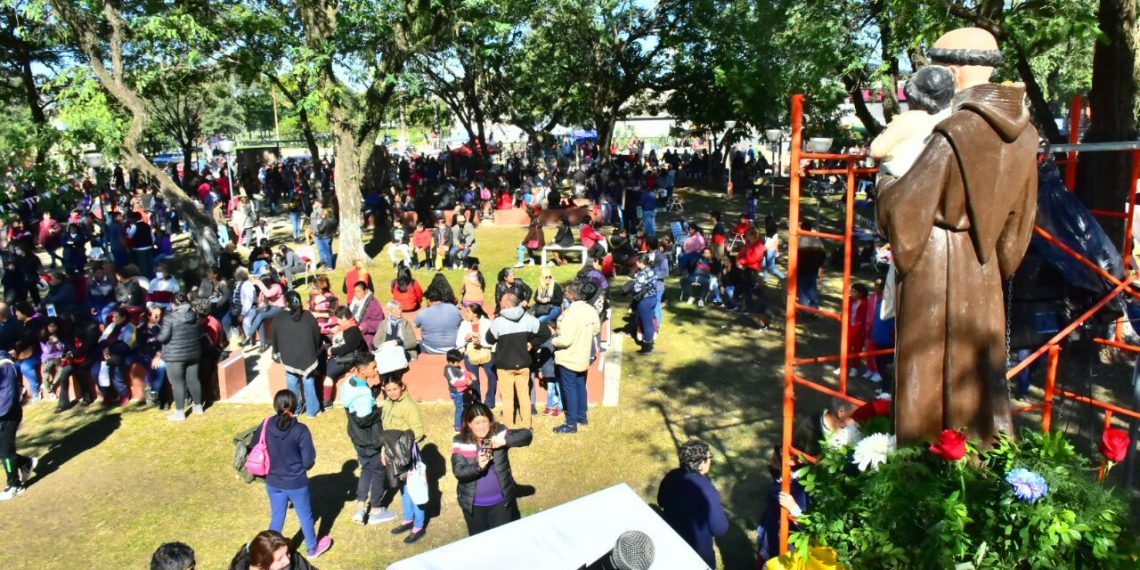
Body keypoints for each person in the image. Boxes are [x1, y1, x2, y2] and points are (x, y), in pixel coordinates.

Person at [257, 390, 334, 560]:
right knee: (305, 516)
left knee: (277, 517)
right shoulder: (301, 430)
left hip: (273, 481)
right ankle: (312, 549)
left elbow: (258, 443)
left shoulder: (267, 424)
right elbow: (308, 461)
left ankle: (269, 553)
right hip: (296, 482)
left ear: (276, 405)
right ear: (295, 405)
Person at [451, 402, 533, 535]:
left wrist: (505, 441)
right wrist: (478, 466)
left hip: (500, 503)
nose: (482, 426)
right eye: (477, 423)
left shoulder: (497, 432)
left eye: (485, 421)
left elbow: (527, 435)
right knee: (479, 542)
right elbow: (459, 472)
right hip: (474, 506)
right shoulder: (461, 441)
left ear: (490, 421)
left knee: (501, 540)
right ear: (469, 424)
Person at [341, 353, 398, 527]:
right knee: (379, 471)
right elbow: (364, 419)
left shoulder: (349, 382)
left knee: (366, 468)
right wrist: (382, 410)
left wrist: (373, 392)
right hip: (369, 439)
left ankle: (360, 507)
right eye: (373, 367)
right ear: (363, 369)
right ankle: (375, 510)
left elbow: (355, 408)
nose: (376, 369)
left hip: (357, 437)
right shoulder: (363, 394)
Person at [657, 439, 729, 568]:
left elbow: (660, 500)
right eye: (709, 457)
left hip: (672, 542)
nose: (710, 460)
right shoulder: (708, 491)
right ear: (701, 464)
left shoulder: (671, 476)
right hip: (698, 553)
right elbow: (720, 528)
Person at [379, 375, 427, 544]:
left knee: (415, 489)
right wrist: (385, 451)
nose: (392, 393)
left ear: (402, 387)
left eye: (395, 389)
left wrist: (402, 447)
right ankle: (408, 519)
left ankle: (419, 526)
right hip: (392, 453)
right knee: (403, 488)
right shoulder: (386, 404)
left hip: (407, 453)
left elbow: (418, 431)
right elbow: (385, 430)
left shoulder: (409, 406)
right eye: (389, 389)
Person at [550, 283, 601, 434]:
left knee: (569, 389)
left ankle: (571, 424)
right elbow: (596, 329)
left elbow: (565, 340)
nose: (565, 294)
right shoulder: (590, 310)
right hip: (583, 355)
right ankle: (581, 416)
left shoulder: (570, 313)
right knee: (580, 385)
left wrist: (553, 341)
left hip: (569, 357)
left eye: (567, 292)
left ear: (572, 295)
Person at [485, 293, 539, 429]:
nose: (500, 303)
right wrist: (532, 343)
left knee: (508, 398)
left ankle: (508, 426)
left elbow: (489, 339)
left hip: (505, 365)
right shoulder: (529, 319)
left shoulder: (498, 322)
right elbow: (545, 333)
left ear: (508, 305)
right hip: (523, 363)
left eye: (502, 301)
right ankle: (527, 426)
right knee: (524, 396)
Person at [271, 292, 323, 418]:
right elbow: (317, 336)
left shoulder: (279, 317)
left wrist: (276, 352)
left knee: (292, 381)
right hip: (308, 356)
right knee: (309, 381)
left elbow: (274, 337)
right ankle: (312, 411)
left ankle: (294, 410)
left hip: (289, 357)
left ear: (286, 302)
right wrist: (316, 350)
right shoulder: (308, 316)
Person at [157, 295, 204, 420]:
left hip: (175, 356)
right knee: (193, 380)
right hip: (193, 353)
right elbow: (200, 332)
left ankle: (180, 413)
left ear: (173, 304)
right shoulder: (195, 315)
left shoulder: (169, 318)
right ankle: (198, 407)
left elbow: (163, 337)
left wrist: (156, 332)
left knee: (177, 384)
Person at [0, 348, 36, 500]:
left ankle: (14, 485)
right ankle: (26, 463)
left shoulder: (5, 366)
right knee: (3, 450)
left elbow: (8, 395)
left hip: (7, 414)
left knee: (5, 452)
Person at [457, 303, 495, 408]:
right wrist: (466, 339)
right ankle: (477, 402)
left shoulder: (487, 323)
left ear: (475, 314)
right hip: (470, 354)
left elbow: (492, 341)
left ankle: (490, 401)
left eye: (468, 312)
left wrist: (481, 341)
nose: (465, 314)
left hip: (486, 353)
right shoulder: (464, 324)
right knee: (474, 379)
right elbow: (458, 343)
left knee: (492, 376)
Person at [622, 255, 659, 354]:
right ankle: (650, 343)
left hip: (645, 301)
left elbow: (637, 289)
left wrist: (632, 285)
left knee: (646, 324)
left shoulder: (642, 274)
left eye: (636, 262)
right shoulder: (652, 270)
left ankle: (646, 347)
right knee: (650, 322)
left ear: (639, 262)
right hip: (653, 298)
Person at [229, 530, 319, 570]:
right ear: (261, 565)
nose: (288, 560)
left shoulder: (293, 557)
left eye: (287, 553)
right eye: (279, 559)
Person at [413, 287, 463, 354]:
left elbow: (415, 325)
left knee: (415, 342)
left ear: (428, 300)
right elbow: (462, 322)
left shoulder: (423, 313)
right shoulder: (454, 309)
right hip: (453, 347)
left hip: (431, 349)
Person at [348, 281, 385, 350]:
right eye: (355, 292)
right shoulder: (354, 303)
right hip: (353, 330)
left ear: (366, 290)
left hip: (367, 334)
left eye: (358, 291)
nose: (356, 294)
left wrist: (364, 326)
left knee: (365, 343)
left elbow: (379, 323)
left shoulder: (374, 304)